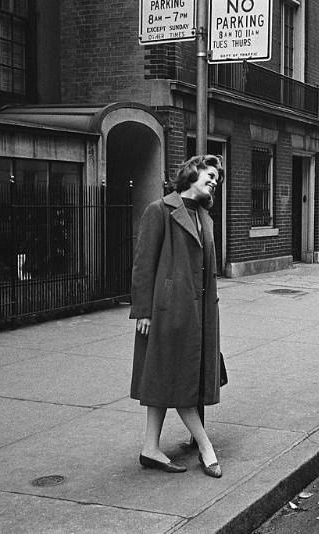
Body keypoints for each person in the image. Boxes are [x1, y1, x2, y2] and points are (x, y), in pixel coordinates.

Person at [130, 154, 225, 478]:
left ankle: (150, 448)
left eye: (217, 177)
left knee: (163, 376)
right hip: (167, 312)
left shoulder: (204, 217)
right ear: (191, 173)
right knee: (179, 377)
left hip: (198, 314)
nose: (214, 180)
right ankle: (205, 447)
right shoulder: (160, 210)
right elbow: (144, 263)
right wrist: (143, 311)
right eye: (209, 174)